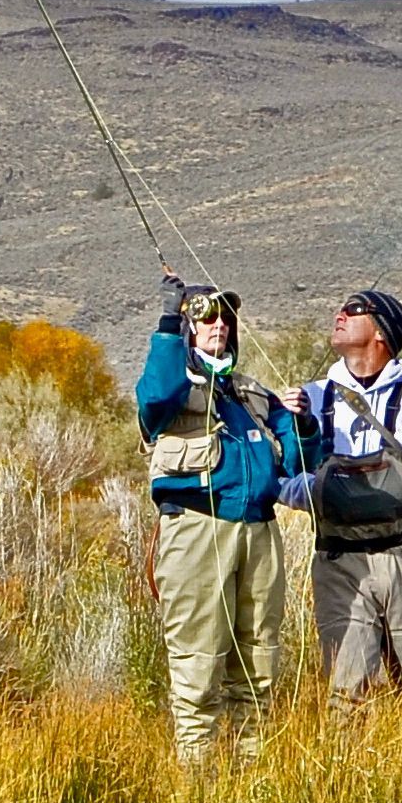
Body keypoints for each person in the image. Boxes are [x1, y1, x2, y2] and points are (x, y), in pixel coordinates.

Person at [136, 275, 321, 761]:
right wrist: (165, 325)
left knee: (259, 664)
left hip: (261, 533)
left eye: (226, 318)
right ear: (187, 329)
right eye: (206, 317)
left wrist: (302, 423)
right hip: (197, 531)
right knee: (198, 669)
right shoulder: (175, 389)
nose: (219, 325)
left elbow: (300, 463)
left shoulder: (254, 395)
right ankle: (197, 789)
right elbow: (153, 398)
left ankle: (251, 782)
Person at [280, 288, 402, 713]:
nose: (339, 315)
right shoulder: (308, 398)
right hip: (338, 561)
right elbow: (282, 475)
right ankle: (346, 779)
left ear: (382, 333)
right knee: (346, 696)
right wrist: (313, 492)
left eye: (353, 310)